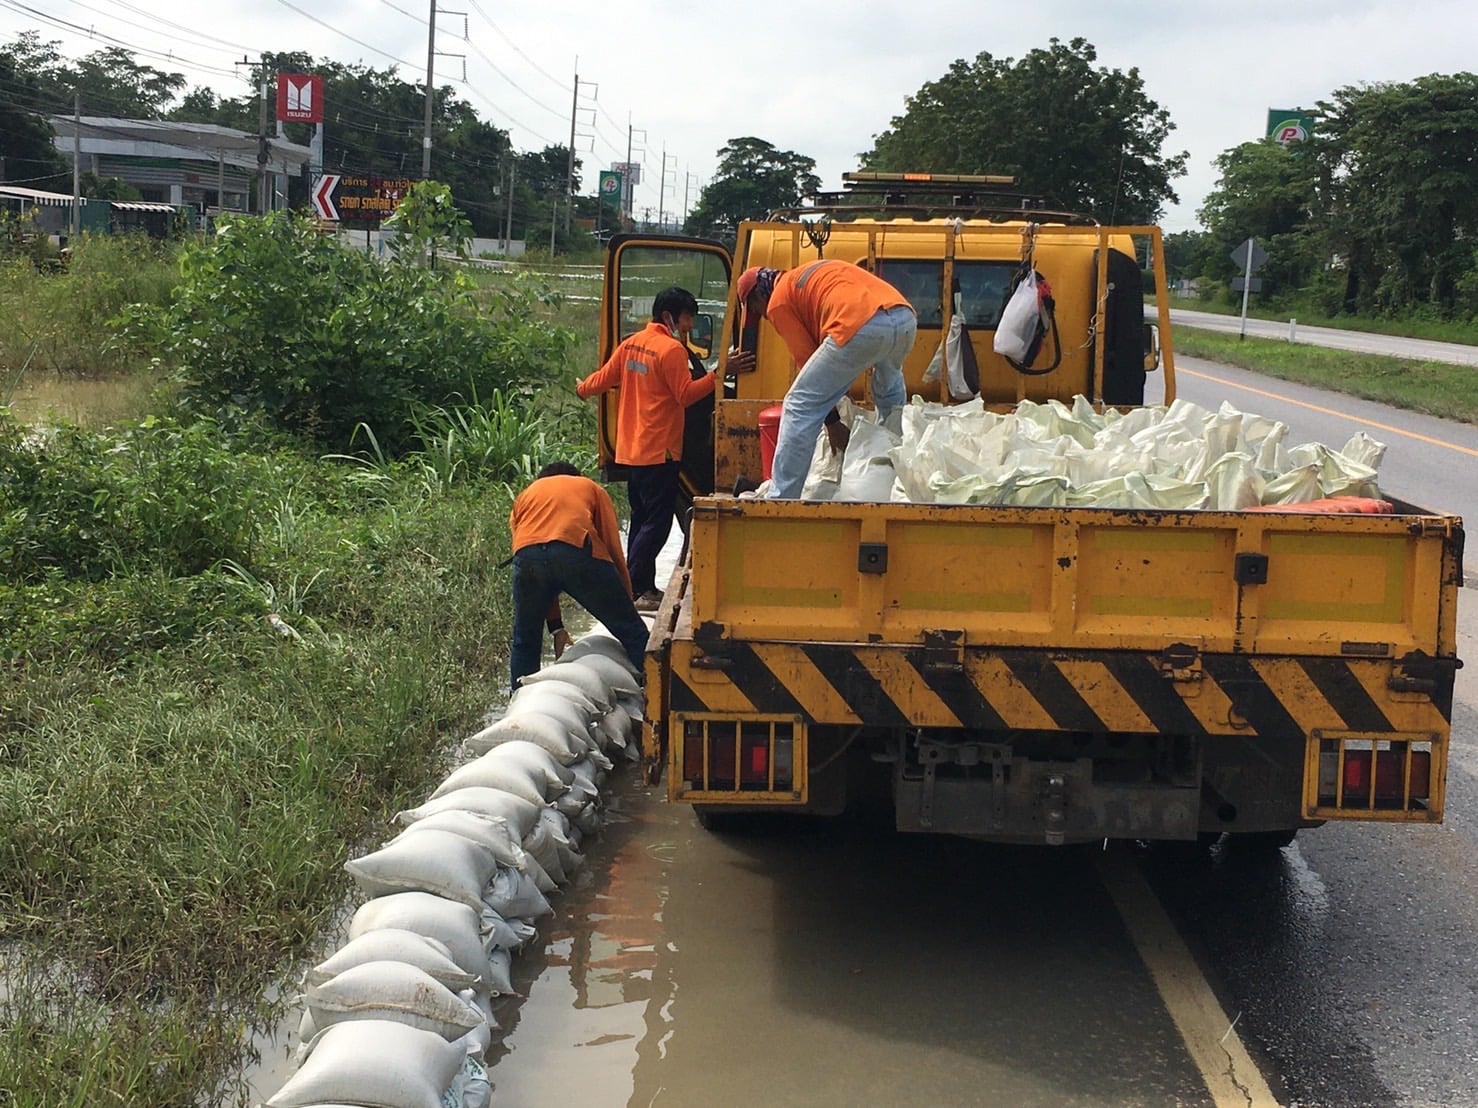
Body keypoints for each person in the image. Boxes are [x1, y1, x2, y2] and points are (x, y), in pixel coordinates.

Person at [577, 286, 717, 610]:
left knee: (641, 520)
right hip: (660, 451)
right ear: (668, 316)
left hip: (632, 451)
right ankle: (630, 588)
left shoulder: (631, 345)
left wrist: (583, 389)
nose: (688, 326)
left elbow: (603, 379)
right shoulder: (671, 350)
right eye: (686, 318)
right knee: (657, 524)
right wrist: (718, 376)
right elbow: (685, 395)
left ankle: (643, 588)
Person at [737, 261, 917, 499]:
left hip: (862, 324)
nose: (765, 316)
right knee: (890, 399)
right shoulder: (804, 278)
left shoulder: (778, 301)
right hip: (904, 318)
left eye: (758, 310)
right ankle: (894, 479)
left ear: (760, 294)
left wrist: (832, 423)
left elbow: (806, 359)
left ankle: (781, 498)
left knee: (799, 404)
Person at [507, 461, 650, 692]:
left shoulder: (525, 496)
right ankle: (659, 690)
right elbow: (613, 547)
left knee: (525, 642)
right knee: (631, 630)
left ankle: (519, 698)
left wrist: (556, 626)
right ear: (576, 476)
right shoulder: (588, 486)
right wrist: (626, 601)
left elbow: (540, 562)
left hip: (527, 556)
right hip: (576, 551)